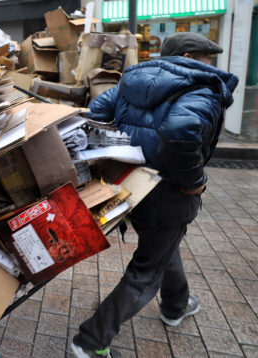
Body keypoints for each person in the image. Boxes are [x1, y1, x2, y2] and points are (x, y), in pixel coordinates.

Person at [71, 32, 239, 358]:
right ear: (189, 58)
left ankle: (176, 305)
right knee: (146, 272)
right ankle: (89, 342)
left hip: (129, 184)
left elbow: (92, 113)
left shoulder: (130, 81)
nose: (210, 65)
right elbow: (179, 132)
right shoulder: (200, 87)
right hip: (168, 193)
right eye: (206, 59)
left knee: (162, 245)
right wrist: (194, 180)